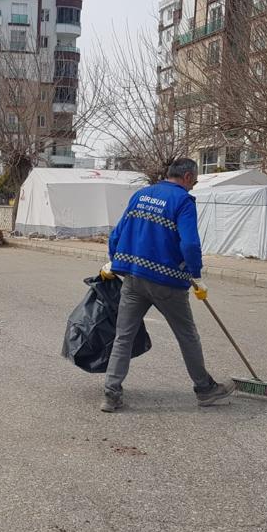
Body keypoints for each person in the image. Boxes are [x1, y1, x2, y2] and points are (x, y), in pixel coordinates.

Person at [99, 158, 235, 412]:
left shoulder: (141, 195)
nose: (193, 185)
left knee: (123, 337)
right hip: (167, 282)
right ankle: (204, 389)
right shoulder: (183, 201)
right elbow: (190, 244)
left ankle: (111, 393)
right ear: (186, 176)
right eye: (193, 180)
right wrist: (196, 274)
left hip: (134, 278)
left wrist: (113, 259)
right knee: (187, 335)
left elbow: (117, 233)